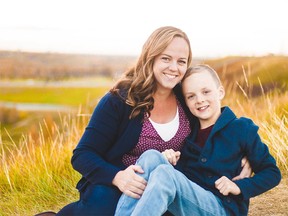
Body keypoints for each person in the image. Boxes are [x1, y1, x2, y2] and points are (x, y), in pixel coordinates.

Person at [37, 27, 250, 216]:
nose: (174, 67)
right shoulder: (119, 100)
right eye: (166, 58)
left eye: (181, 61)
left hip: (167, 185)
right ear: (151, 58)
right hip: (121, 183)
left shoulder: (186, 98)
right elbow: (82, 155)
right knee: (103, 207)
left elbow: (214, 116)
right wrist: (117, 177)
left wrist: (246, 153)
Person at [115, 64, 281, 216]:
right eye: (191, 96)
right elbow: (187, 178)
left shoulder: (241, 128)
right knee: (152, 156)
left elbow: (272, 173)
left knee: (165, 174)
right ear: (186, 102)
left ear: (220, 92)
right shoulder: (189, 132)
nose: (199, 100)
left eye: (206, 92)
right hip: (191, 204)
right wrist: (170, 160)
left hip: (222, 208)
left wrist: (238, 187)